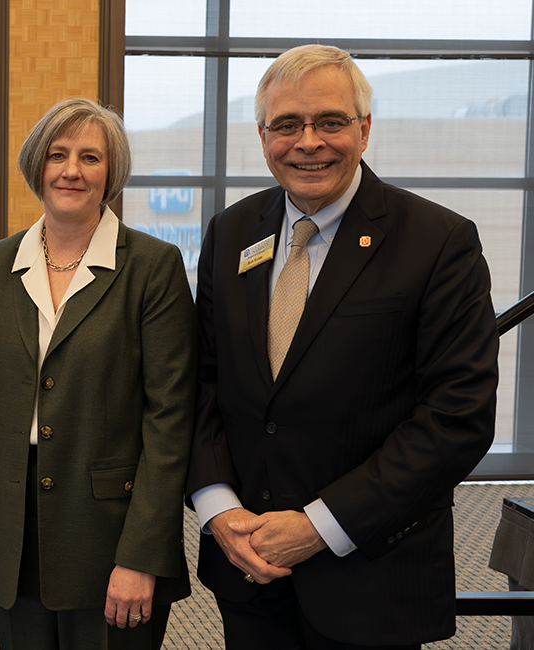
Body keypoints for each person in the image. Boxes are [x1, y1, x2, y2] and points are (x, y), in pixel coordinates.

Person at [187, 44, 499, 649]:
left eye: (330, 121)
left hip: (372, 574)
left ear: (364, 128)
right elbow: (202, 380)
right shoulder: (230, 232)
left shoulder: (439, 242)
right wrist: (218, 508)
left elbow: (457, 416)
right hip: (249, 567)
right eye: (287, 124)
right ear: (262, 136)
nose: (308, 142)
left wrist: (318, 526)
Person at [0, 97, 196, 650]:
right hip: (13, 524)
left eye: (90, 157)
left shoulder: (153, 267)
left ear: (112, 173)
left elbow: (170, 421)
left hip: (110, 531)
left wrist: (141, 556)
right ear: (37, 164)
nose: (71, 170)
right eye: (58, 154)